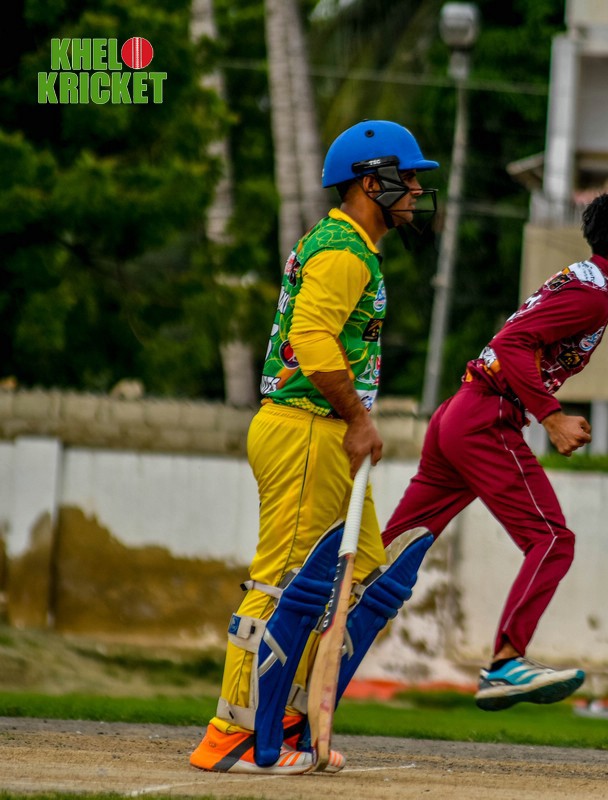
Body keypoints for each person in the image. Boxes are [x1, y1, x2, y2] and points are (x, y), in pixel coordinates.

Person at [372, 185, 608, 712]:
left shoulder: (596, 283)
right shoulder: (593, 296)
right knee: (552, 540)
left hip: (459, 413)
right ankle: (506, 664)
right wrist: (551, 417)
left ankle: (322, 605)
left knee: (393, 551)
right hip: (488, 418)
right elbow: (512, 343)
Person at [189, 120, 439, 775]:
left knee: (359, 582)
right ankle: (233, 733)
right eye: (408, 177)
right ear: (370, 182)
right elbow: (313, 338)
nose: (417, 189)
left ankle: (289, 719)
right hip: (307, 426)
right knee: (280, 585)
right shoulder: (343, 252)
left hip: (320, 430)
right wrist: (358, 418)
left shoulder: (349, 245)